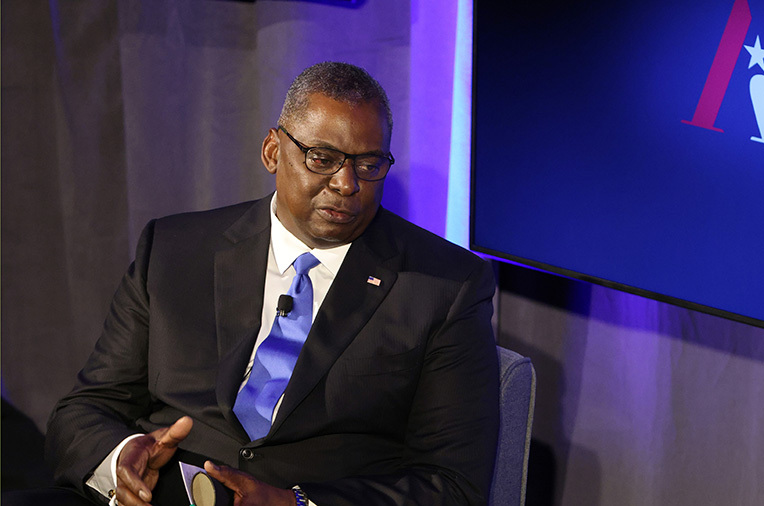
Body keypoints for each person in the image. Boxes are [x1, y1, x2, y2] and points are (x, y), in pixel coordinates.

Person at [45, 62, 500, 506]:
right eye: (323, 159)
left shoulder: (445, 285)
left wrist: (297, 503)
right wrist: (122, 460)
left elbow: (453, 483)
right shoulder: (173, 250)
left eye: (368, 164)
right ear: (272, 152)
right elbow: (85, 410)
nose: (346, 184)